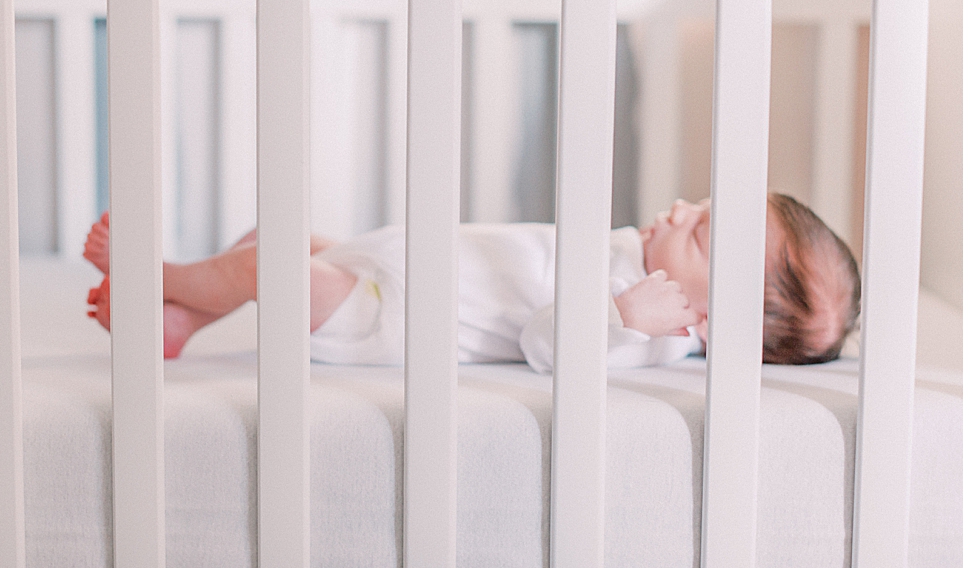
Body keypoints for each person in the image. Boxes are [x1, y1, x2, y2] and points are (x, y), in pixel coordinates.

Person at [83, 193, 860, 371]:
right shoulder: (638, 257)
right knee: (269, 235)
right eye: (701, 201)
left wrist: (622, 315)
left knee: (266, 265)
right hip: (404, 266)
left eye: (700, 229)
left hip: (403, 319)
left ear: (707, 321)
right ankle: (187, 322)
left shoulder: (644, 335)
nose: (681, 207)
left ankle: (161, 277)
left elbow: (543, 342)